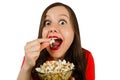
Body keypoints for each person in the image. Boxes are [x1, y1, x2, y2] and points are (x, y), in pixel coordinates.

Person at [17, 2, 95, 80]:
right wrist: (27, 66)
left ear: (74, 30)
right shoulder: (33, 56)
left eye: (62, 22)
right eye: (47, 23)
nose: (52, 28)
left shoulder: (85, 57)